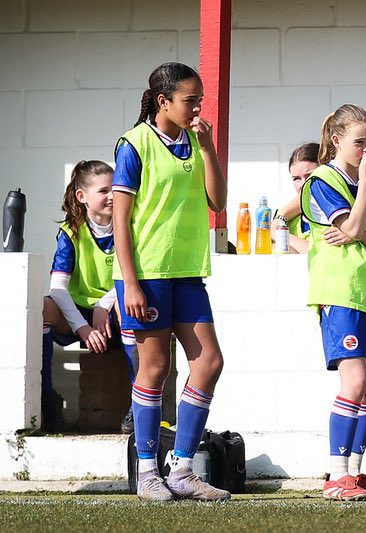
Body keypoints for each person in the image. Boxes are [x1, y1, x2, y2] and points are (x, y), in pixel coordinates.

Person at [112, 62, 229, 502]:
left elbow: (217, 201)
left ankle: (181, 468)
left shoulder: (195, 142)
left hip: (187, 271)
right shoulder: (134, 144)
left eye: (199, 99)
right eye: (190, 100)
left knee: (209, 362)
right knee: (155, 368)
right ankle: (146, 472)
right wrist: (131, 283)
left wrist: (209, 148)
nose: (197, 107)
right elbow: (120, 224)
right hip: (146, 273)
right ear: (163, 101)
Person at [299, 104, 366, 501]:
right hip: (339, 292)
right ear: (337, 140)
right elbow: (354, 227)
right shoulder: (322, 180)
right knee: (353, 382)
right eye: (361, 142)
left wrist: (359, 233)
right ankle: (335, 475)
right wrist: (363, 210)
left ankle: (355, 473)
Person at [42, 160, 138, 433]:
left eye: (115, 190)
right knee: (43, 309)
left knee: (128, 304)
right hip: (79, 317)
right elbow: (58, 287)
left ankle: (138, 403)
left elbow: (136, 275)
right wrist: (81, 327)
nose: (111, 196)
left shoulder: (129, 226)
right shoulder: (71, 232)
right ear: (81, 197)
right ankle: (47, 398)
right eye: (103, 190)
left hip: (115, 314)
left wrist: (105, 304)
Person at [273, 143, 318, 254]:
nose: (303, 184)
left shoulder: (338, 209)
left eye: (309, 176)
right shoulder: (282, 215)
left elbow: (320, 253)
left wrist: (279, 234)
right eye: (296, 178)